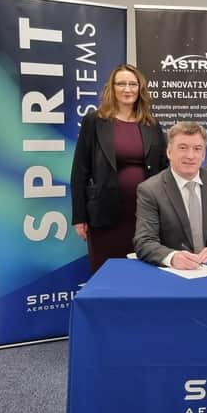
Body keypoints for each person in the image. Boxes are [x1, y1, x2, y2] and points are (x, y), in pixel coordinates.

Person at [71, 64, 168, 273]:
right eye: (121, 83)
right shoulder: (94, 121)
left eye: (133, 84)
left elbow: (163, 169)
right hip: (105, 213)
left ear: (140, 88)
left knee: (144, 271)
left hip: (145, 213)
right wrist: (79, 217)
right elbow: (80, 170)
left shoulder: (152, 124)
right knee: (106, 272)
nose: (127, 89)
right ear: (111, 88)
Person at [134, 121, 207, 270]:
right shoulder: (150, 189)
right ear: (169, 152)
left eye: (197, 149)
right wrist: (172, 257)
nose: (190, 156)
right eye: (183, 148)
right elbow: (144, 241)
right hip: (173, 272)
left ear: (203, 155)